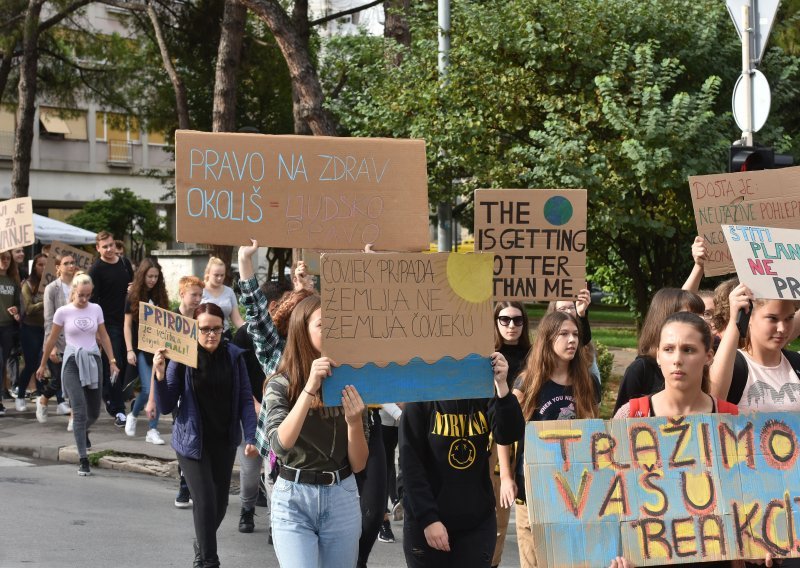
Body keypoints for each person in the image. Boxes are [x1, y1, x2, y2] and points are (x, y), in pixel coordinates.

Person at [263, 294, 369, 567]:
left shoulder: (351, 382)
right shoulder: (280, 384)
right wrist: (309, 388)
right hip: (293, 498)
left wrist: (354, 423)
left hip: (341, 495)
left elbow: (358, 464)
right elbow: (279, 446)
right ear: (302, 330)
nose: (332, 332)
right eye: (323, 325)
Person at [153, 302, 257, 568]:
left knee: (220, 506)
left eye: (217, 329)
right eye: (205, 329)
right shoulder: (182, 357)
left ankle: (202, 543)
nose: (211, 334)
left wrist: (252, 437)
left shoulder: (234, 357)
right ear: (194, 330)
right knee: (206, 501)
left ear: (224, 329)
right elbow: (166, 405)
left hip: (223, 441)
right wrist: (160, 374)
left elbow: (246, 399)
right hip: (191, 442)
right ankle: (208, 560)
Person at [400, 349, 524, 568]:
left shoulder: (482, 392)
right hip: (428, 520)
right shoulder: (421, 396)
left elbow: (510, 433)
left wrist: (502, 387)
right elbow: (410, 465)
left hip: (476, 521)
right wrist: (429, 519)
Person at [497, 310, 600, 568]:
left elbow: (593, 430)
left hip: (575, 488)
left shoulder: (586, 382)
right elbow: (504, 433)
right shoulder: (528, 382)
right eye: (564, 334)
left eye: (575, 334)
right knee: (534, 561)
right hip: (533, 487)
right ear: (547, 339)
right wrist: (507, 478)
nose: (572, 340)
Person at [35, 273, 119, 476]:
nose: (84, 299)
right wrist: (42, 364)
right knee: (79, 411)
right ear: (73, 291)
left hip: (93, 360)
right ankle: (83, 458)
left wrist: (112, 361)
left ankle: (81, 431)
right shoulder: (63, 312)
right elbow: (51, 339)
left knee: (95, 412)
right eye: (81, 295)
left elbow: (104, 335)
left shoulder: (96, 309)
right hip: (72, 361)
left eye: (88, 295)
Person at [485, 301, 532, 568]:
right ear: (495, 322)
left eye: (517, 320)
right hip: (494, 445)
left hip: (526, 442)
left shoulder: (535, 356)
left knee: (523, 524)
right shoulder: (486, 356)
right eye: (504, 320)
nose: (511, 325)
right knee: (495, 521)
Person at [613, 288, 704, 413]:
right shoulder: (640, 369)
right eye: (687, 317)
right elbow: (621, 424)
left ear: (708, 357)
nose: (700, 323)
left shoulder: (698, 365)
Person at [89, 231, 133, 426]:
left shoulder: (125, 263)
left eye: (111, 245)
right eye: (104, 246)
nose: (109, 249)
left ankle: (108, 394)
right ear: (98, 248)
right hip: (108, 324)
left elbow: (132, 286)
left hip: (127, 320)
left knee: (126, 363)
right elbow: (92, 301)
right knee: (116, 363)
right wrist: (97, 331)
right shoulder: (96, 269)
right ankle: (118, 409)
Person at [123, 258, 169, 445]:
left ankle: (152, 429)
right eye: (150, 276)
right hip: (140, 348)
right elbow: (126, 325)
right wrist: (129, 350)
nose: (153, 280)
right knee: (148, 388)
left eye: (156, 276)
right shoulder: (132, 295)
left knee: (156, 389)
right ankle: (133, 414)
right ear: (142, 276)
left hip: (157, 348)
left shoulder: (161, 296)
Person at [38, 253, 76, 423]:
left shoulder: (78, 285)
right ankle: (43, 399)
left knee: (75, 380)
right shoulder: (52, 288)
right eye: (66, 263)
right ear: (58, 267)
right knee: (59, 381)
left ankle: (74, 418)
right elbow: (48, 319)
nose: (70, 266)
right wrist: (50, 346)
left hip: (76, 340)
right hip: (58, 341)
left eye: (73, 263)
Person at [18, 254, 47, 419]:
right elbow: (28, 308)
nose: (43, 268)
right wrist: (46, 301)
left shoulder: (50, 284)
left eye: (45, 265)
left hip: (45, 328)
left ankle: (41, 395)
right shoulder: (27, 284)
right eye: (40, 265)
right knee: (30, 364)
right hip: (30, 329)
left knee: (42, 364)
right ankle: (21, 395)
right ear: (34, 267)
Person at [0, 250, 21, 415]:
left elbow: (18, 305)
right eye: (2, 258)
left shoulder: (13, 282)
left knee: (2, 364)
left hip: (7, 327)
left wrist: (16, 310)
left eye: (7, 258)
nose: (5, 261)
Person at [202, 256, 244, 336]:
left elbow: (237, 319)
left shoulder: (229, 291)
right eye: (216, 275)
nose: (219, 278)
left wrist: (249, 332)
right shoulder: (200, 290)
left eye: (222, 275)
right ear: (208, 273)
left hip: (224, 334)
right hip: (204, 334)